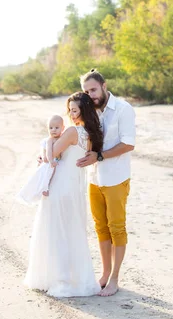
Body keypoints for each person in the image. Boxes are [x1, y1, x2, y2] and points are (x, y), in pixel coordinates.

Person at [24, 92, 103, 297]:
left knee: (55, 229)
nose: (71, 113)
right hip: (76, 187)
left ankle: (59, 279)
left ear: (83, 110)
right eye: (69, 110)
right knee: (72, 230)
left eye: (74, 110)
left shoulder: (71, 132)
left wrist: (44, 151)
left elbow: (51, 155)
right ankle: (77, 278)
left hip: (61, 185)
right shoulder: (92, 133)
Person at [77, 69, 136, 297]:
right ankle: (104, 273)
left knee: (117, 227)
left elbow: (128, 144)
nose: (90, 94)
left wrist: (99, 156)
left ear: (104, 85)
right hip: (94, 178)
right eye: (86, 91)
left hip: (116, 178)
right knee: (100, 227)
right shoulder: (88, 111)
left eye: (93, 89)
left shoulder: (123, 109)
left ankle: (114, 279)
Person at [16, 115, 64, 205]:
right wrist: (51, 161)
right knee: (49, 174)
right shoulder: (50, 140)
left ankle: (45, 187)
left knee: (53, 174)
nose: (53, 130)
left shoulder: (63, 138)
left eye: (57, 128)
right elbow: (49, 152)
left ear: (63, 128)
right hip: (50, 162)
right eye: (51, 128)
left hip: (55, 161)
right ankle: (45, 188)